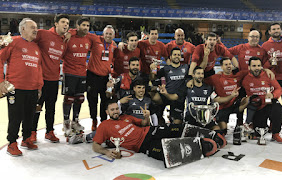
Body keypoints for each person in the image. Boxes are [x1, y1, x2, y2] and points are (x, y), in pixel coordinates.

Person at [92, 99, 224, 163]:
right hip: (143, 145)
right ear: (107, 112)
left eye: (116, 109)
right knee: (164, 153)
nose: (115, 112)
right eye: (112, 110)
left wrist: (146, 117)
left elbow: (143, 124)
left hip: (149, 131)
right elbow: (95, 145)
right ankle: (201, 145)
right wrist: (106, 152)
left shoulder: (126, 117)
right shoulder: (104, 126)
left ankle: (208, 135)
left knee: (175, 128)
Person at [0, 18, 43, 156]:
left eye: (36, 27)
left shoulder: (36, 47)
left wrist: (39, 86)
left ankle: (26, 139)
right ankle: (12, 143)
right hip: (15, 88)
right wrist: (1, 81)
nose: (36, 30)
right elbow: (0, 59)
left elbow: (38, 68)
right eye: (32, 27)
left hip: (32, 89)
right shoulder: (13, 41)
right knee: (15, 117)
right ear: (23, 29)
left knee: (29, 116)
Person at [31, 14, 70, 143]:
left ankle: (49, 131)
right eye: (63, 22)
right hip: (40, 79)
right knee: (36, 107)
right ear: (56, 23)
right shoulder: (43, 34)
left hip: (54, 80)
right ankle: (32, 132)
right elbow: (27, 38)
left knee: (51, 108)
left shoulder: (64, 41)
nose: (66, 25)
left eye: (68, 23)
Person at [223, 30, 268, 126]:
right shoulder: (241, 47)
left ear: (259, 39)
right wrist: (234, 63)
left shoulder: (262, 51)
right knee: (240, 101)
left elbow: (265, 65)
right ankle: (239, 122)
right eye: (252, 36)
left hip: (255, 82)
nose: (254, 38)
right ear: (248, 38)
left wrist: (268, 70)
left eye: (256, 37)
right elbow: (226, 52)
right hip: (241, 81)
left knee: (254, 102)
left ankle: (251, 122)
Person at [61, 17, 95, 136]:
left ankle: (75, 121)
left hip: (82, 73)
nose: (86, 28)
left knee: (79, 98)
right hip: (69, 72)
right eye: (84, 25)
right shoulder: (69, 37)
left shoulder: (89, 38)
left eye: (88, 26)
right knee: (69, 98)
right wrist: (71, 32)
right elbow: (61, 54)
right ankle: (66, 123)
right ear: (77, 25)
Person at [242, 57, 282, 145]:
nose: (257, 68)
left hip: (269, 102)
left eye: (259, 66)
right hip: (257, 107)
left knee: (279, 111)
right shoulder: (245, 79)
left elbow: (279, 89)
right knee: (259, 131)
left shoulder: (268, 75)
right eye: (254, 66)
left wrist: (273, 95)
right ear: (249, 67)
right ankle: (258, 126)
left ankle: (275, 133)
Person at [85, 25, 117, 131]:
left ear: (114, 35)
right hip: (92, 76)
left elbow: (113, 64)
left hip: (105, 79)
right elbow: (83, 32)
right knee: (92, 101)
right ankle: (94, 120)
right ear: (103, 34)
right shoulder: (96, 40)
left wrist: (111, 78)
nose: (108, 35)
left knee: (105, 101)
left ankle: (103, 122)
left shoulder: (114, 47)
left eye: (110, 34)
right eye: (106, 33)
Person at [150, 47, 188, 124]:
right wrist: (152, 70)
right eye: (174, 55)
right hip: (165, 95)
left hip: (178, 98)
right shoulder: (165, 69)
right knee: (150, 93)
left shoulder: (186, 68)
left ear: (180, 57)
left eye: (178, 55)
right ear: (170, 57)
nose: (176, 56)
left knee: (177, 123)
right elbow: (154, 79)